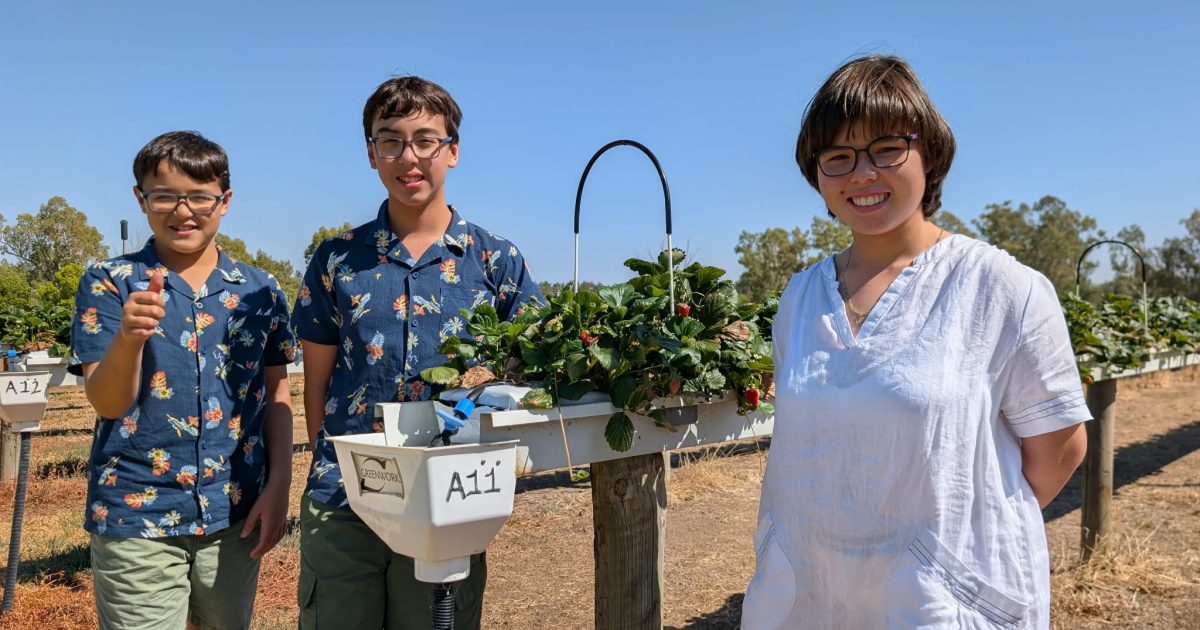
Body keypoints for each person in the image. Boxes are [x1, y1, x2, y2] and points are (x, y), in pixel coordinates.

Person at [741, 55, 1090, 629]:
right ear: (816, 174)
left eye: (886, 148)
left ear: (929, 152)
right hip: (810, 598)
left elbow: (1060, 448)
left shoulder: (1002, 287)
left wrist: (950, 543)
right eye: (838, 156)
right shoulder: (800, 298)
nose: (861, 173)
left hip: (938, 604)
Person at [292, 75, 543, 629]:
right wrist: (334, 460)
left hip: (449, 498)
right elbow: (317, 382)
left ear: (452, 151)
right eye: (391, 140)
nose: (410, 156)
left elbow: (529, 371)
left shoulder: (495, 261)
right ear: (371, 154)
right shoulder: (338, 260)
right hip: (345, 495)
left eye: (426, 139)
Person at [69, 131, 298, 629]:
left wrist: (280, 483)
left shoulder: (260, 290)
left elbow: (277, 390)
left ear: (225, 200)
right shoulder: (111, 283)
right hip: (137, 512)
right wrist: (129, 337)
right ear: (141, 199)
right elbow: (107, 403)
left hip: (233, 511)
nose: (183, 211)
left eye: (199, 196)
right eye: (164, 196)